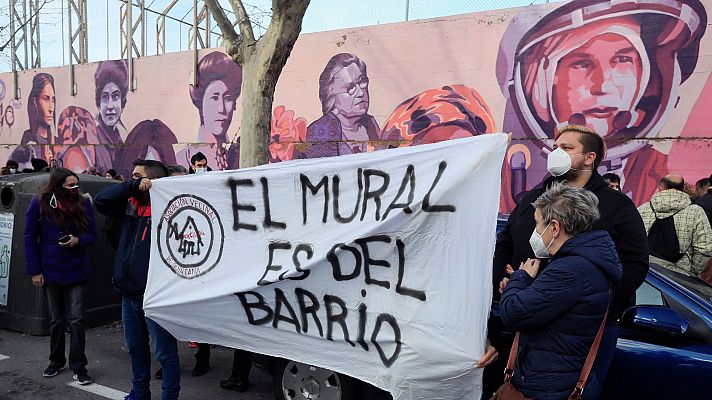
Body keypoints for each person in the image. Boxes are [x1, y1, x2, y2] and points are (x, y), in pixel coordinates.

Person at [483, 125, 648, 398]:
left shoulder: (615, 205)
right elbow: (506, 241)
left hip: (580, 332)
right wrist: (504, 280)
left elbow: (636, 263)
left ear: (590, 157)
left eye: (567, 148)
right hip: (523, 316)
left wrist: (594, 302)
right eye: (556, 147)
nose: (557, 153)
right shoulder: (534, 198)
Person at [500, 182, 622, 399]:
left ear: (554, 227)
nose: (535, 231)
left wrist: (521, 278)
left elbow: (514, 313)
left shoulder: (572, 269)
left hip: (547, 387)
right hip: (556, 378)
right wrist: (523, 286)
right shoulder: (581, 262)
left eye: (537, 224)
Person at [95, 159, 180, 400]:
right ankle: (139, 393)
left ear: (149, 181)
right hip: (128, 293)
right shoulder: (129, 203)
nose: (129, 180)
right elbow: (102, 201)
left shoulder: (168, 210)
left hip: (155, 297)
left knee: (165, 354)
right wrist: (131, 187)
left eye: (135, 176)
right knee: (136, 349)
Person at [24, 168, 96, 385]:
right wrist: (35, 271)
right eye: (69, 185)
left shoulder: (83, 203)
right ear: (58, 185)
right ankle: (55, 361)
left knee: (76, 320)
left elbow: (92, 234)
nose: (74, 189)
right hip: (50, 269)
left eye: (76, 184)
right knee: (56, 320)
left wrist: (78, 240)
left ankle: (79, 366)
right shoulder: (39, 203)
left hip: (76, 268)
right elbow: (29, 237)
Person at [302, 53, 380, 158]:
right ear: (331, 96)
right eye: (350, 88)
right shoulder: (320, 132)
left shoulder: (370, 124)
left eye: (362, 82)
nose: (361, 93)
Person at [637, 174, 712, 278]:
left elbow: (631, 240)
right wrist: (692, 271)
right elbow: (704, 249)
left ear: (660, 189)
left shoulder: (642, 209)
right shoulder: (696, 212)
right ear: (683, 189)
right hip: (681, 279)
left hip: (647, 274)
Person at [177, 51, 242, 171]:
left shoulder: (236, 154)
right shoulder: (184, 157)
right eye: (214, 98)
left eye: (228, 98)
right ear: (200, 101)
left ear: (234, 104)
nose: (221, 109)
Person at [94, 60, 129, 173]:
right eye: (104, 97)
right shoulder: (93, 140)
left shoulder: (121, 142)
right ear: (98, 104)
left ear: (122, 103)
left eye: (115, 97)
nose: (110, 106)